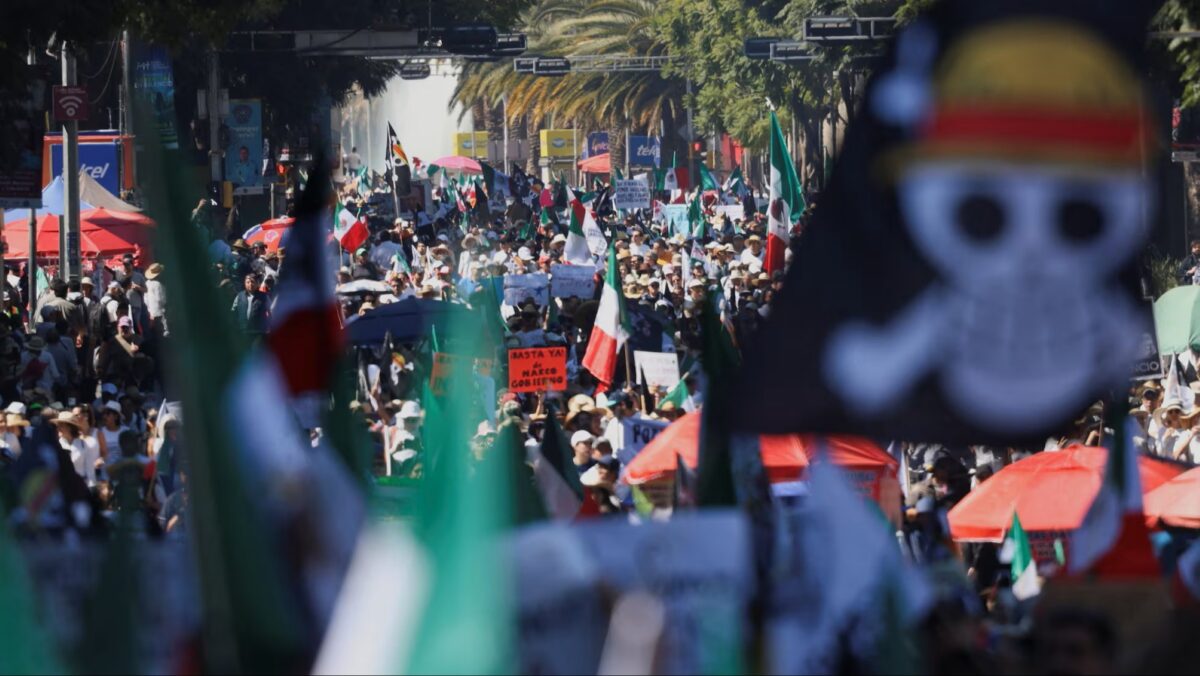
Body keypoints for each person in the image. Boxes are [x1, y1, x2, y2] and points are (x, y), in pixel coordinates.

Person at [231, 273, 270, 337]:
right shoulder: (239, 296)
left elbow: (271, 312)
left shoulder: (264, 296)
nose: (250, 284)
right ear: (244, 283)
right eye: (248, 282)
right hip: (243, 332)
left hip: (259, 332)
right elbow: (233, 312)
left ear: (257, 283)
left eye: (252, 282)